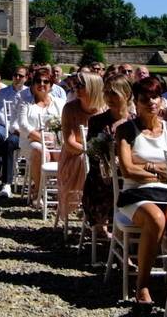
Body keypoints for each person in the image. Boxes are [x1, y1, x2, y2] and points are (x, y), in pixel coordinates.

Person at [115, 76, 167, 308]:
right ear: (135, 101)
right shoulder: (126, 130)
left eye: (155, 96)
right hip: (135, 193)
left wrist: (148, 166)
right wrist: (163, 172)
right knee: (156, 219)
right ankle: (142, 284)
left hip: (166, 192)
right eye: (144, 98)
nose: (151, 102)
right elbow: (127, 170)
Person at [82, 74, 136, 229]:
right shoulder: (97, 121)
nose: (109, 97)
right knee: (103, 182)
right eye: (106, 92)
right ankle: (103, 223)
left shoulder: (135, 121)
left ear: (127, 94)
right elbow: (92, 153)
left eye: (114, 93)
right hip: (102, 174)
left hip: (129, 173)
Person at [56, 72, 105, 224]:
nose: (75, 88)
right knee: (86, 163)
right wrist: (90, 151)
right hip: (74, 157)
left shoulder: (105, 110)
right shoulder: (70, 109)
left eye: (80, 85)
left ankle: (105, 217)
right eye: (75, 84)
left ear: (93, 87)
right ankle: (95, 218)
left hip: (102, 159)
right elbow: (69, 143)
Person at [17, 66, 64, 204]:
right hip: (31, 140)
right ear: (33, 83)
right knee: (40, 150)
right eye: (38, 81)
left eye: (45, 82)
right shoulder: (26, 102)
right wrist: (42, 138)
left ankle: (60, 191)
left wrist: (54, 139)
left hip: (55, 141)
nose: (41, 84)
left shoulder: (59, 103)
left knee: (63, 153)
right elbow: (23, 125)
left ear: (51, 85)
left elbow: (64, 124)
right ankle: (38, 191)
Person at [0, 66, 30, 198]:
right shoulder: (3, 92)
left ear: (26, 78)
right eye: (15, 75)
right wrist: (11, 128)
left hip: (30, 132)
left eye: (20, 76)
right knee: (1, 135)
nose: (17, 78)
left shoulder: (30, 94)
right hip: (9, 125)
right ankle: (5, 180)